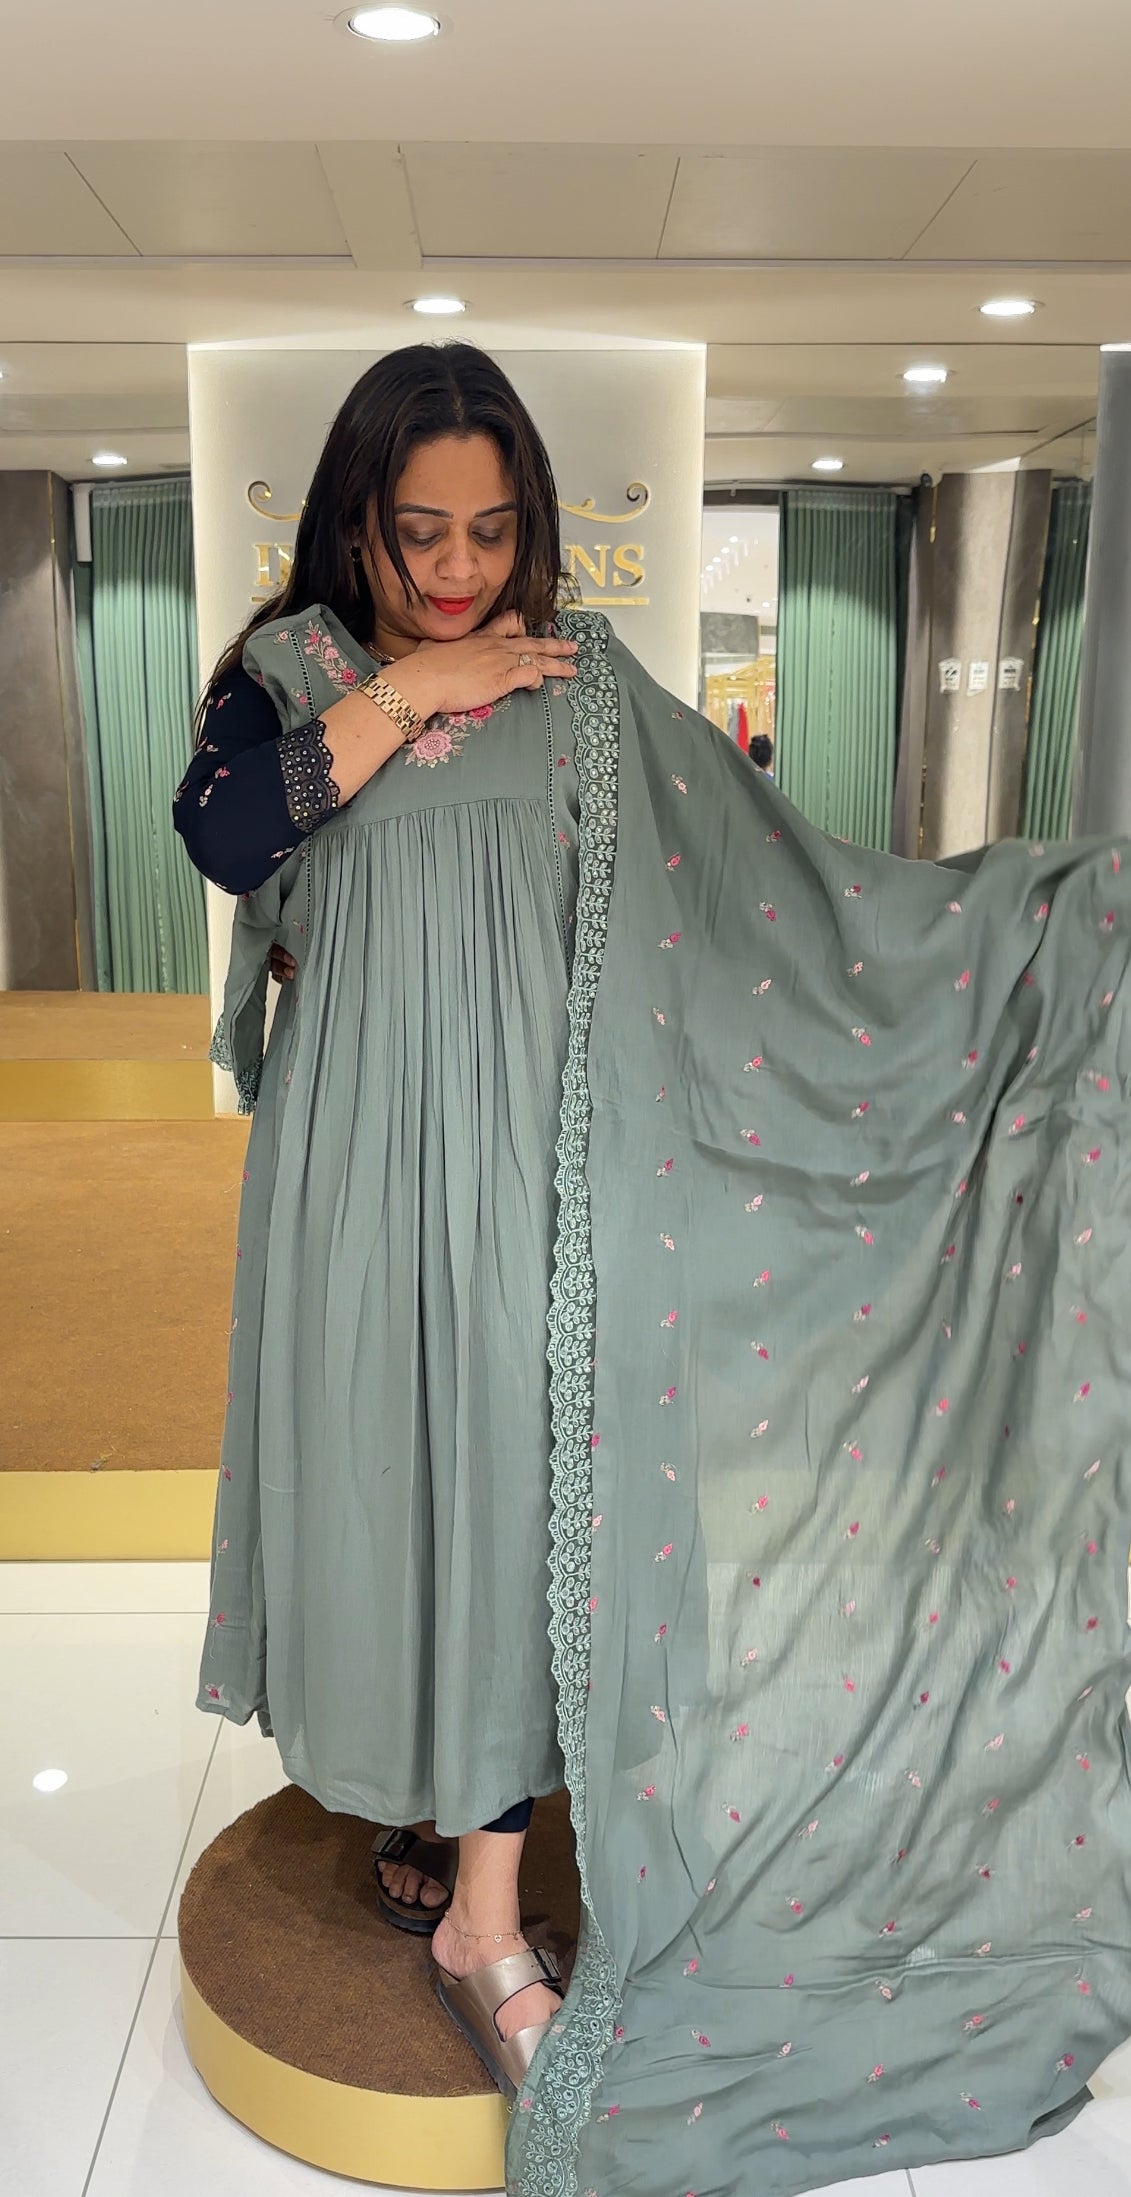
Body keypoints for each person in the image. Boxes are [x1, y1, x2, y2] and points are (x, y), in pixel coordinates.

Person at [176, 344, 1131, 2197]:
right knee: (400, 1491)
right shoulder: (291, 674)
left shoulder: (587, 688)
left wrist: (1034, 936)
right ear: (356, 520)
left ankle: (487, 1912)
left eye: (494, 531)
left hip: (553, 1176)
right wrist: (416, 685)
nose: (461, 570)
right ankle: (439, 1820)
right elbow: (226, 831)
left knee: (528, 1497)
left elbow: (774, 886)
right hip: (362, 1181)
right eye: (419, 534)